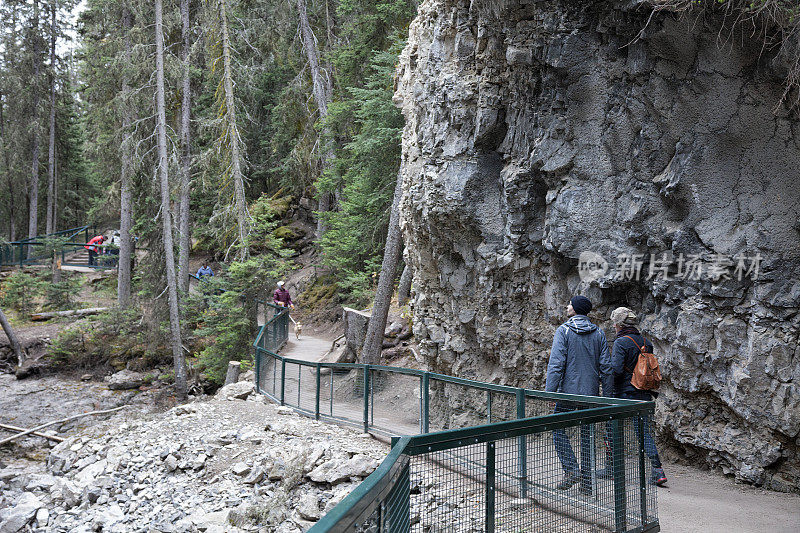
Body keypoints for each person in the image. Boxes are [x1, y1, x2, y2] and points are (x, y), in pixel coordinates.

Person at [545, 295, 612, 494]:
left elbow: (556, 365)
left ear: (575, 309)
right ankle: (586, 484)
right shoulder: (598, 333)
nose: (567, 306)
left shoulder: (564, 330)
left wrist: (550, 393)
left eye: (570, 304)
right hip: (590, 393)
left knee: (557, 427)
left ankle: (572, 469)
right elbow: (606, 368)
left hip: (568, 393)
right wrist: (606, 397)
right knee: (586, 435)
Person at [600, 306, 667, 487]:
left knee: (611, 431)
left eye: (615, 323)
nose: (614, 326)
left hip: (623, 394)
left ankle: (611, 469)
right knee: (644, 433)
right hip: (643, 393)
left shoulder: (621, 342)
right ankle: (658, 471)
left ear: (619, 324)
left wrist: (604, 377)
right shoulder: (646, 341)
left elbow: (617, 370)